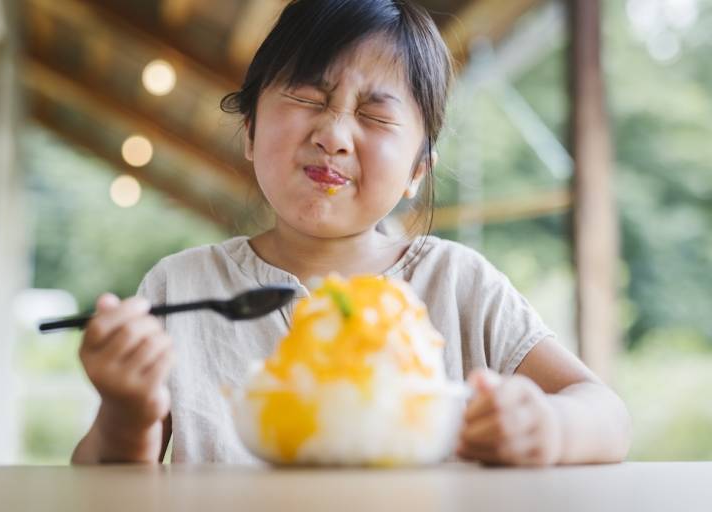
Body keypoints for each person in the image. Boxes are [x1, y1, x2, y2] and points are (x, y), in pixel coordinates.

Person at [72, 0, 631, 466]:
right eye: (308, 97)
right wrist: (126, 414)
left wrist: (549, 427)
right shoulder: (182, 287)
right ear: (250, 130)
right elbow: (104, 483)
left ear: (417, 169)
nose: (335, 134)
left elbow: (605, 413)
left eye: (375, 115)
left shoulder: (457, 284)